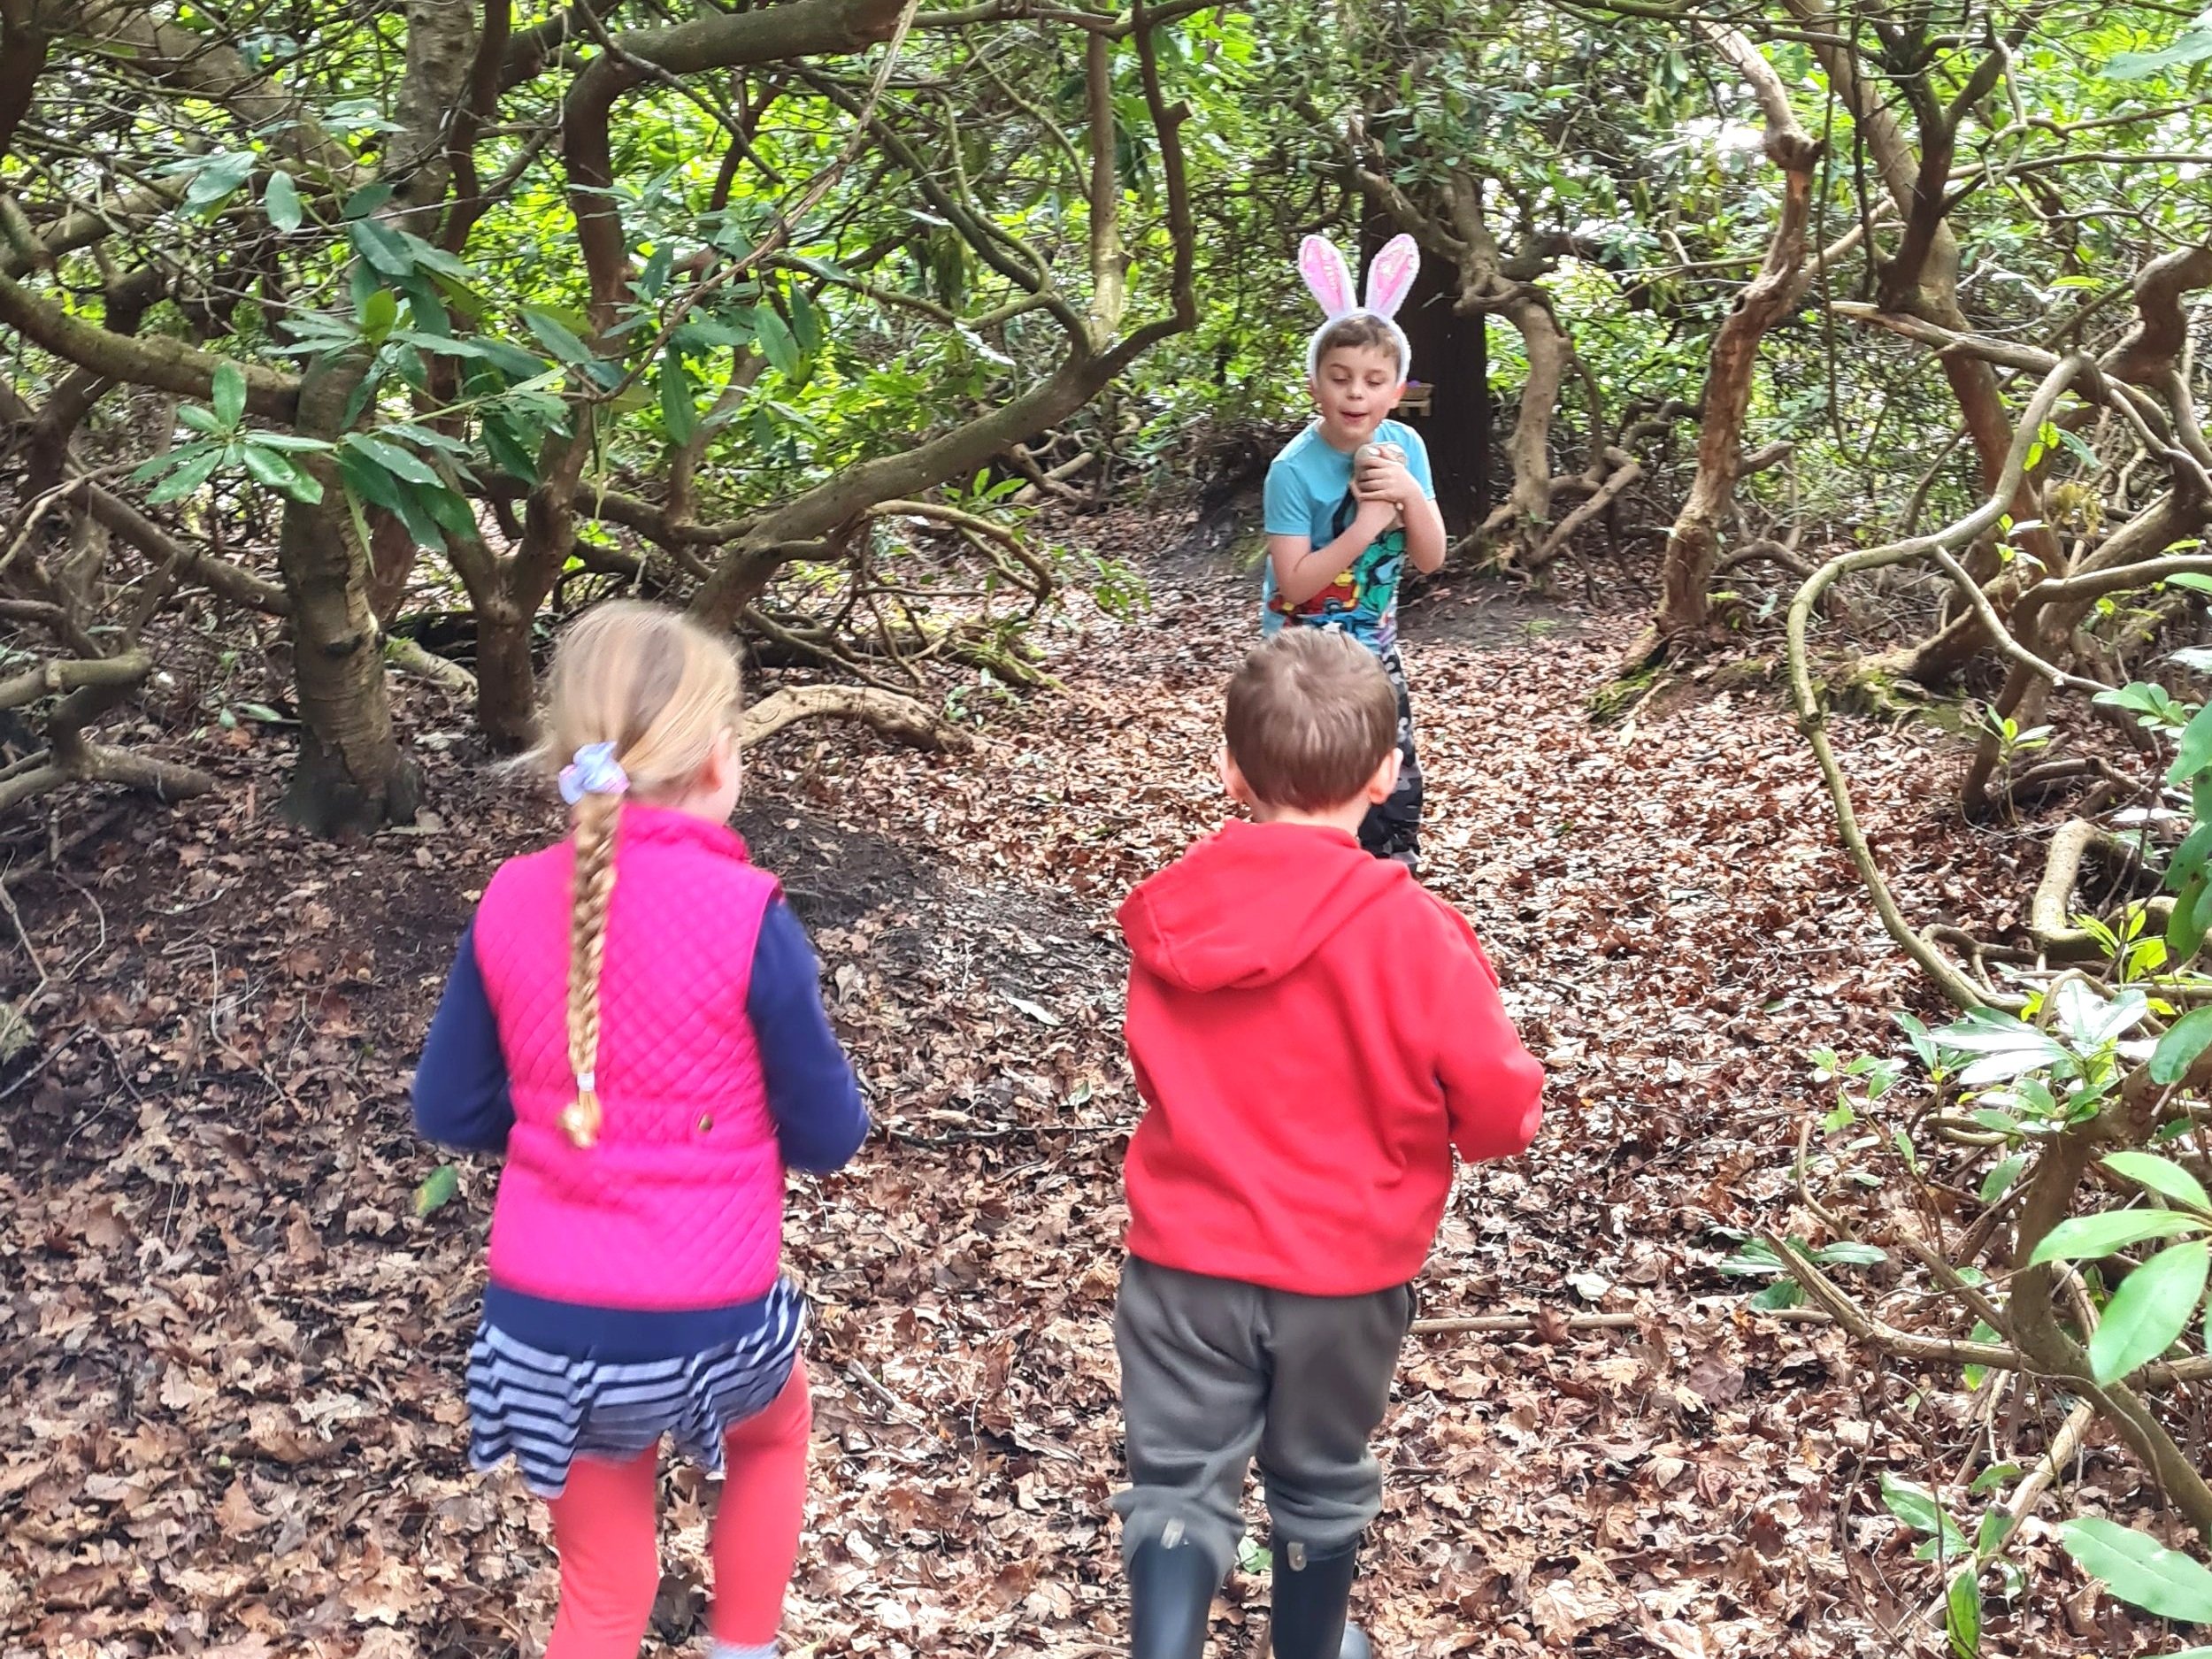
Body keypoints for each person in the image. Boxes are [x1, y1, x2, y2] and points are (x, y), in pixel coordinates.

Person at [412, 602, 869, 1659]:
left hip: (546, 1332)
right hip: (710, 1322)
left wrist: (556, 1122)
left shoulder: (510, 898)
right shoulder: (748, 912)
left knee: (605, 1586)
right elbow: (826, 1133)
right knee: (774, 1433)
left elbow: (447, 1107)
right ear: (716, 759)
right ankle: (741, 1646)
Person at [1110, 628, 1545, 1659]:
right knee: (1317, 1475)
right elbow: (1499, 1109)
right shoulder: (1415, 932)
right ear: (1385, 773)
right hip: (1344, 1276)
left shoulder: (1175, 916)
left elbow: (1157, 1067)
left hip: (1184, 1262)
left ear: (1230, 769)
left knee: (1177, 1481)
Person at [1263, 234, 1448, 871]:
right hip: (1302, 661)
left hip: (1375, 651)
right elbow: (1294, 584)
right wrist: (1368, 523)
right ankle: (1302, 895)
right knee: (1307, 791)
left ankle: (1385, 893)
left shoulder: (1407, 448)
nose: (1356, 394)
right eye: (1339, 378)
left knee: (1391, 787)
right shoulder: (1293, 470)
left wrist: (1409, 495)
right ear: (1315, 384)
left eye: (1374, 381)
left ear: (1397, 390)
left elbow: (1431, 558)